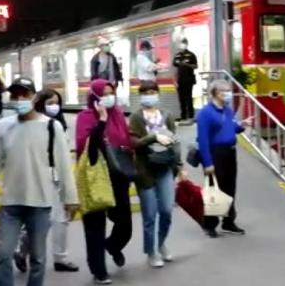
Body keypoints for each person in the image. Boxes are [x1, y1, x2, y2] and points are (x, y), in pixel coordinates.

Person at [0, 77, 78, 286]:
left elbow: (64, 165)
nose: (20, 99)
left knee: (38, 258)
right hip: (10, 204)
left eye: (25, 94)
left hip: (41, 203)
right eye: (15, 95)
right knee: (3, 255)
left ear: (34, 97)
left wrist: (71, 198)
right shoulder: (3, 126)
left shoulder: (52, 127)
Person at [13, 88, 79, 274]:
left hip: (59, 177)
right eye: (49, 103)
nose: (54, 106)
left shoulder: (60, 124)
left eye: (57, 102)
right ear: (40, 104)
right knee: (42, 219)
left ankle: (60, 257)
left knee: (61, 219)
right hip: (41, 178)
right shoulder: (34, 125)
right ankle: (22, 249)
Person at [75, 79, 134, 284]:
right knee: (95, 227)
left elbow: (126, 141)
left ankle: (113, 245)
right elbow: (85, 146)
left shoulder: (118, 114)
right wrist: (100, 121)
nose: (110, 97)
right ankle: (98, 269)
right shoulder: (85, 117)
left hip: (118, 177)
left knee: (125, 224)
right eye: (105, 93)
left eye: (112, 92)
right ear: (95, 97)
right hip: (96, 177)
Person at [129, 80, 183, 268]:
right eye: (146, 92)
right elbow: (134, 143)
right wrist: (153, 137)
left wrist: (179, 166)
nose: (150, 95)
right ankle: (151, 252)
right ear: (141, 95)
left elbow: (175, 141)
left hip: (165, 168)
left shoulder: (166, 115)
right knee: (149, 215)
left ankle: (161, 244)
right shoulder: (136, 117)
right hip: (145, 171)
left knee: (167, 210)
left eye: (153, 91)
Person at [196, 79, 249, 238]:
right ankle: (210, 224)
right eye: (224, 91)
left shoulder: (227, 110)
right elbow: (203, 139)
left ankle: (228, 221)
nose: (228, 94)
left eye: (228, 90)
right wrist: (208, 163)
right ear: (216, 93)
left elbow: (231, 127)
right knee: (214, 189)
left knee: (230, 188)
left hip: (230, 152)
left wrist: (242, 126)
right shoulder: (205, 113)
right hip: (215, 153)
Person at [172, 39, 198, 122]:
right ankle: (183, 116)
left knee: (189, 97)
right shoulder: (177, 55)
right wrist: (175, 80)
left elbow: (195, 66)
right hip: (180, 80)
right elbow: (175, 66)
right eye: (181, 44)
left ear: (187, 44)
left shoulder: (191, 55)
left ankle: (191, 115)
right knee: (181, 98)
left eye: (184, 44)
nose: (182, 45)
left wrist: (187, 65)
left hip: (189, 79)